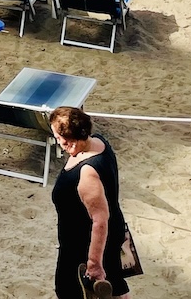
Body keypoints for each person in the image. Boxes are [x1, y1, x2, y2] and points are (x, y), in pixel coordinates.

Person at [50, 105, 131, 298]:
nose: (57, 141)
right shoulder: (99, 142)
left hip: (86, 244)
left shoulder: (87, 173)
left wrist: (94, 263)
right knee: (116, 287)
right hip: (110, 234)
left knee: (69, 291)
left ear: (70, 140)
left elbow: (100, 220)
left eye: (59, 138)